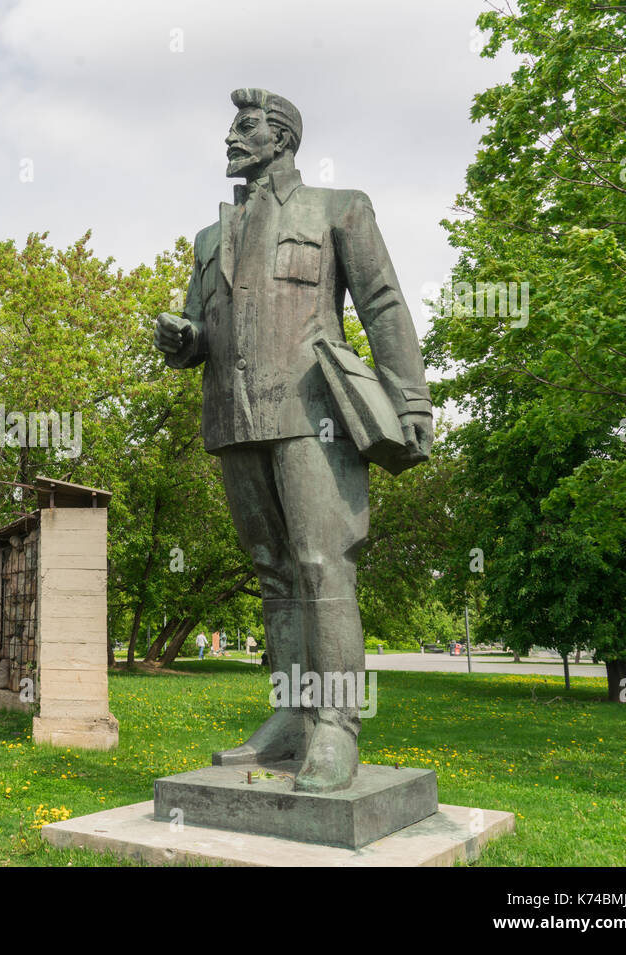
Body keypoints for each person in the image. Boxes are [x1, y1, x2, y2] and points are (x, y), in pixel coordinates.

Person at [153, 88, 432, 792]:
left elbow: (383, 303)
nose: (229, 137)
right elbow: (200, 331)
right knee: (274, 572)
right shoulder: (210, 239)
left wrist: (411, 402)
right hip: (235, 418)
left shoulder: (339, 208)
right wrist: (185, 341)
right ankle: (291, 714)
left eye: (243, 127)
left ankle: (336, 726)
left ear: (282, 138)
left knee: (319, 564)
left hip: (315, 415)